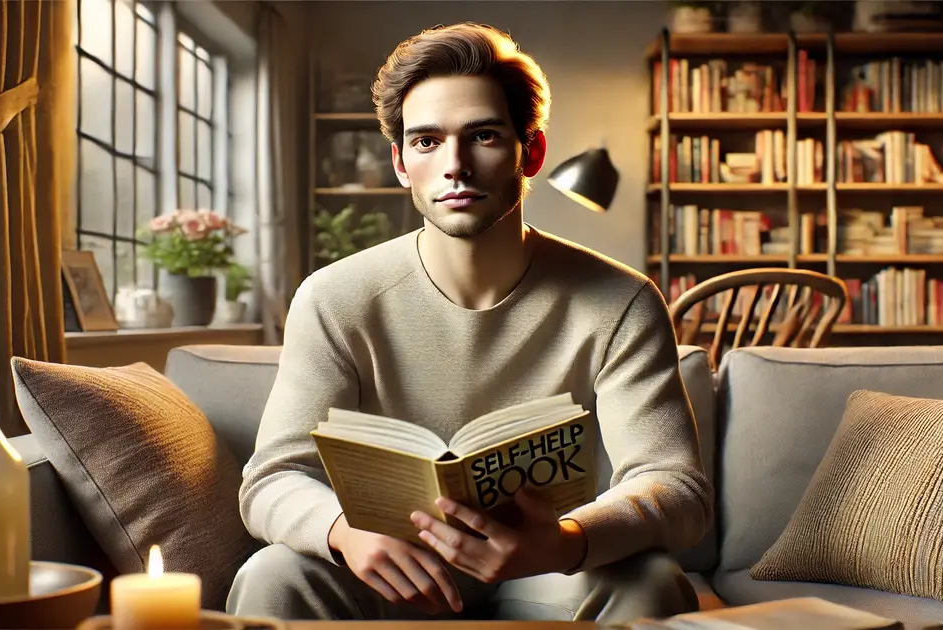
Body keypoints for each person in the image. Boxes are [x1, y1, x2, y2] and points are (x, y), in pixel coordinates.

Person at [227, 22, 711, 624]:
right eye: (426, 142)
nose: (454, 165)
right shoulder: (333, 297)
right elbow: (273, 478)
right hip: (392, 570)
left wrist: (565, 540)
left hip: (547, 568)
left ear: (528, 152)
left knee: (654, 583)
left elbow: (676, 489)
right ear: (401, 163)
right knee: (272, 574)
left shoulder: (621, 300)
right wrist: (342, 533)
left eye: (481, 135)